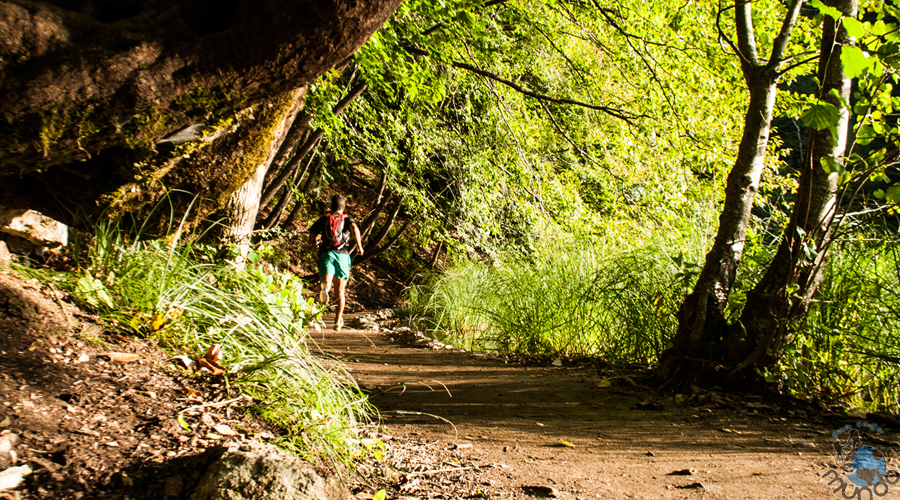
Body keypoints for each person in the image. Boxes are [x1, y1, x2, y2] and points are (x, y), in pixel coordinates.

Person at [308, 194, 364, 331]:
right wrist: (359, 246)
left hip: (326, 253)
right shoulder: (347, 219)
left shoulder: (324, 219)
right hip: (342, 256)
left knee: (326, 283)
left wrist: (314, 243)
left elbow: (311, 236)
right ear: (343, 207)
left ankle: (325, 290)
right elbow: (355, 229)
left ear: (331, 206)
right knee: (340, 290)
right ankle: (338, 320)